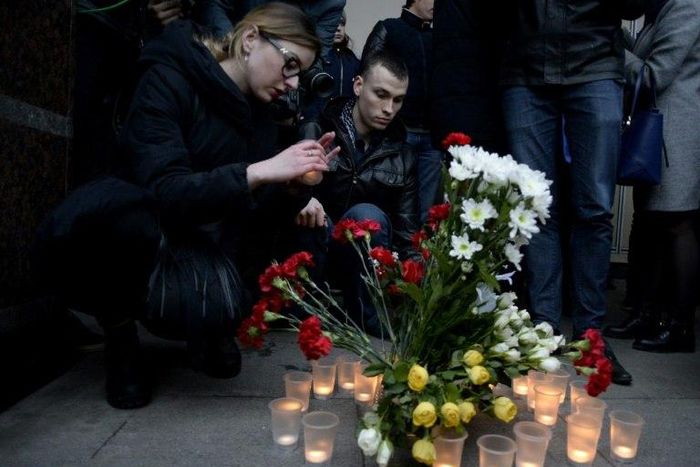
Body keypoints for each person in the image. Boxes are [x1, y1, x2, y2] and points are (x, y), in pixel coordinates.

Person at [36, 3, 337, 410]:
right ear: (250, 40)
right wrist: (258, 171)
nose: (292, 82)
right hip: (146, 233)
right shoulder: (169, 77)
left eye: (299, 72)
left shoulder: (261, 113)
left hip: (205, 240)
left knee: (284, 230)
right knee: (125, 215)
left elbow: (254, 218)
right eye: (289, 64)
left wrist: (293, 188)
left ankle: (210, 327)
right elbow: (165, 190)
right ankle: (122, 338)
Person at [500, 0, 648, 385]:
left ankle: (590, 337)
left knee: (594, 208)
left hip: (596, 62)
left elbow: (637, 7)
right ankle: (543, 331)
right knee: (535, 205)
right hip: (524, 64)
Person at [295, 50, 419, 334]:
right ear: (358, 86)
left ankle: (365, 320)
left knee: (365, 215)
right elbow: (281, 194)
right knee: (310, 209)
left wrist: (423, 287)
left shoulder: (403, 155)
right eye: (381, 94)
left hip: (363, 262)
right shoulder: (318, 129)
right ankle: (303, 309)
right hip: (315, 247)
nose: (389, 108)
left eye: (398, 100)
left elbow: (406, 234)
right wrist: (303, 197)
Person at [604, 0, 700, 353]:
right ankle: (647, 314)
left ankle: (680, 327)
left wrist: (608, 42)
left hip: (677, 135)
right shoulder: (663, 8)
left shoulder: (687, 6)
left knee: (677, 225)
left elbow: (653, 75)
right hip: (657, 136)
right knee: (651, 225)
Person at [362, 0, 441, 223]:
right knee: (390, 203)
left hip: (432, 136)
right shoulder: (389, 28)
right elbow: (368, 75)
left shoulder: (439, 37)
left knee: (428, 213)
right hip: (396, 133)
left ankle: (421, 258)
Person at [325, 10, 360, 99]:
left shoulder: (351, 58)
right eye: (333, 22)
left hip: (344, 112)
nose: (339, 28)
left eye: (342, 23)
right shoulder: (318, 55)